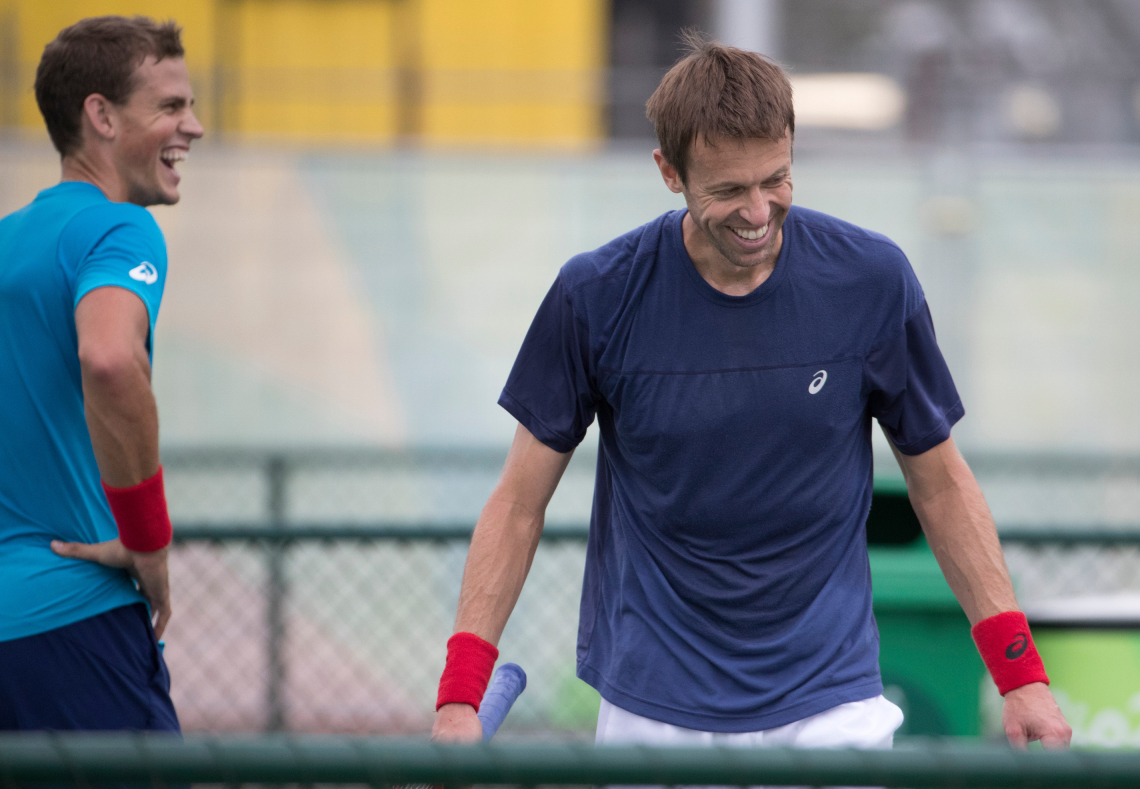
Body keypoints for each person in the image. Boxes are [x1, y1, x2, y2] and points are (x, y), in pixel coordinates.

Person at [431, 35, 1071, 751]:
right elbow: (519, 504)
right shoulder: (595, 295)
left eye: (777, 178)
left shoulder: (873, 280)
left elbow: (943, 487)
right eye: (729, 190)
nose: (759, 210)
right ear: (668, 172)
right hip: (653, 707)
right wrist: (459, 695)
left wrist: (1020, 675)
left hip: (832, 702)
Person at [0, 15, 202, 730]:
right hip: (67, 627)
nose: (195, 126)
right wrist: (147, 537)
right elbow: (111, 357)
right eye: (172, 106)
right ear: (101, 116)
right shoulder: (119, 227)